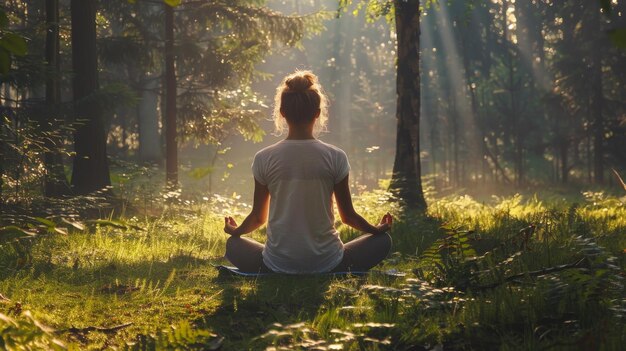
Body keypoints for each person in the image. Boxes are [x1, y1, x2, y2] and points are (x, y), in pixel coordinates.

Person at [223, 70, 392, 274]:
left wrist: (235, 231)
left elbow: (259, 218)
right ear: (318, 112)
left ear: (282, 112)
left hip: (276, 265)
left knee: (233, 245)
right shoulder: (335, 156)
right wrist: (376, 230)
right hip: (329, 263)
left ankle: (277, 267)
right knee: (383, 241)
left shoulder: (264, 158)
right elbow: (348, 217)